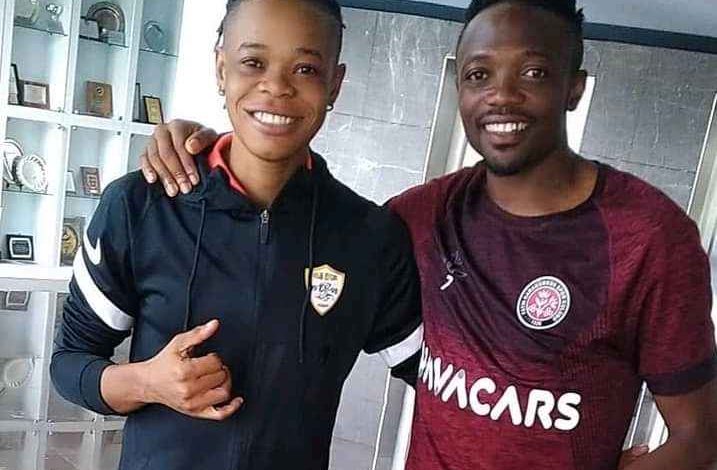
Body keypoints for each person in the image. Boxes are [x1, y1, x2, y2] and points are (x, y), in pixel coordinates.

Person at [141, 0, 717, 469]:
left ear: (574, 88)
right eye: (479, 75)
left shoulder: (649, 238)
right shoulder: (419, 216)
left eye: (534, 73)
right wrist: (199, 145)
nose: (501, 95)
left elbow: (699, 437)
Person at [50, 1, 424, 469]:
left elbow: (443, 376)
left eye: (306, 68)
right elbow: (69, 362)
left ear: (335, 83)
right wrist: (147, 383)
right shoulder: (141, 207)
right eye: (253, 62)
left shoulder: (370, 237)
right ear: (220, 68)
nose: (276, 86)